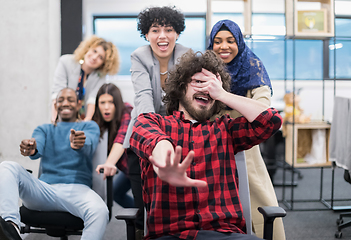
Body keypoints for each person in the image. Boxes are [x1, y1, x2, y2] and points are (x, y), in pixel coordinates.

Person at [129, 50, 283, 240]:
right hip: (170, 235)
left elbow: (271, 120)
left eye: (212, 85)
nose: (206, 89)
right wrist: (166, 162)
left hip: (225, 235)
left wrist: (224, 94)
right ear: (180, 87)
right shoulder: (155, 122)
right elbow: (147, 137)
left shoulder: (225, 130)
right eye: (199, 82)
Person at [208, 19, 285, 240]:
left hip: (244, 148)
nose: (224, 46)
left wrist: (222, 95)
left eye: (230, 40)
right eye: (218, 41)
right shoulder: (205, 70)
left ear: (239, 42)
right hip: (210, 149)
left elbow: (263, 109)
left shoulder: (252, 67)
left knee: (258, 201)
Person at [0, 88, 108, 240]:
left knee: (100, 211)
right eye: (61, 100)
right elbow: (38, 144)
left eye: (70, 100)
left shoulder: (88, 126)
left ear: (78, 105)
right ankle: (10, 229)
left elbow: (89, 143)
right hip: (45, 190)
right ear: (56, 105)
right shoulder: (44, 129)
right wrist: (32, 148)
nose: (65, 103)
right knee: (7, 166)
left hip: (77, 190)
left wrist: (80, 143)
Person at [122, 6, 190, 238]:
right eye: (155, 30)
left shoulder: (186, 55)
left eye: (169, 29)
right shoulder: (139, 56)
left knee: (174, 207)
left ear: (177, 33)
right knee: (144, 208)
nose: (162, 35)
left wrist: (170, 135)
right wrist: (155, 136)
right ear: (146, 34)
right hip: (142, 138)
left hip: (177, 137)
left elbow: (186, 100)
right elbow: (143, 98)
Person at [51, 35, 120, 122]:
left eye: (100, 57)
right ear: (87, 49)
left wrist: (87, 122)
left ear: (104, 63)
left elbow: (92, 99)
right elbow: (57, 93)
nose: (94, 57)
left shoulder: (100, 76)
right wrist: (54, 119)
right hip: (63, 114)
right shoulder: (65, 62)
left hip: (83, 117)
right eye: (94, 51)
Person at [92, 83, 134, 208]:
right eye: (102, 102)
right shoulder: (101, 121)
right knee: (115, 192)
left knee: (147, 206)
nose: (106, 107)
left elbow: (122, 138)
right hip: (127, 171)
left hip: (141, 171)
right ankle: (139, 219)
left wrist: (109, 163)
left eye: (111, 102)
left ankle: (141, 221)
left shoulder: (127, 111)